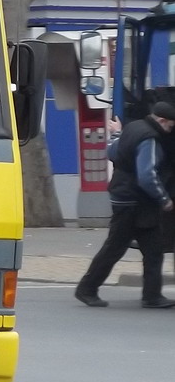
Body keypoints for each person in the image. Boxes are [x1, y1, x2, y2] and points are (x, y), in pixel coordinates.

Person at [75, 101, 175, 308]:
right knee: (114, 248)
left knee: (153, 249)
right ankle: (87, 288)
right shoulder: (151, 138)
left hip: (125, 197)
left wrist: (116, 134)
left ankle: (152, 296)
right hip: (135, 202)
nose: (170, 131)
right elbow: (147, 175)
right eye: (170, 126)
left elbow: (112, 153)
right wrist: (164, 199)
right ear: (162, 121)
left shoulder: (133, 127)